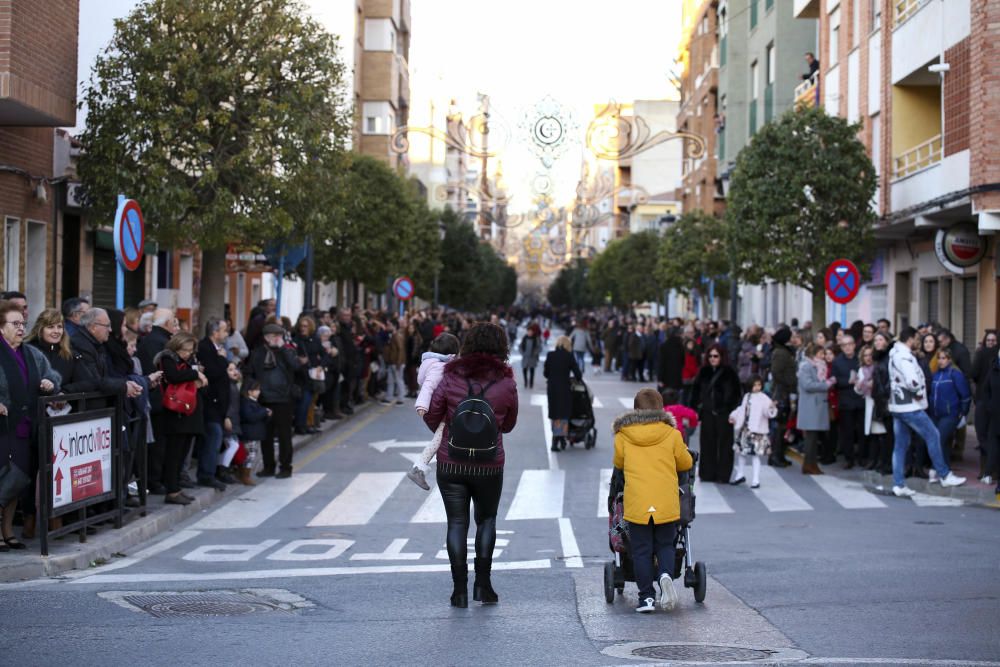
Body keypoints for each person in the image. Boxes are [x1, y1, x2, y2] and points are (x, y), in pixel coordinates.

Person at [423, 322, 518, 608]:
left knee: (456, 522)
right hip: (489, 463)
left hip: (452, 461)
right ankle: (483, 585)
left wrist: (449, 430)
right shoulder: (506, 381)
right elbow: (510, 424)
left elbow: (432, 413)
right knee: (486, 520)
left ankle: (459, 590)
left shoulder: (451, 376)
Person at [613, 387, 693, 613]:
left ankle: (646, 598)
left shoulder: (623, 435)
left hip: (638, 503)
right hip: (665, 501)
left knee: (640, 550)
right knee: (666, 545)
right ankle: (665, 574)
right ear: (661, 409)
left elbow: (618, 463)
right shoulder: (672, 434)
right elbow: (685, 463)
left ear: (636, 409)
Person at [0, 301, 60, 549]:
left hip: (27, 426)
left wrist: (49, 382)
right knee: (4, 477)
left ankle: (6, 531)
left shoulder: (31, 353)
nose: (21, 328)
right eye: (15, 324)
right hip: (3, 427)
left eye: (23, 323)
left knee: (19, 479)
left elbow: (54, 375)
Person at [888, 326, 966, 497]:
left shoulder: (894, 354)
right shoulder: (904, 356)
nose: (919, 342)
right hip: (910, 406)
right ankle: (944, 475)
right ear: (910, 339)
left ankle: (899, 484)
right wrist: (918, 394)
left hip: (898, 406)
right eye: (917, 338)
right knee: (933, 435)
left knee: (900, 445)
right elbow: (912, 381)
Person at [154, 331, 208, 505]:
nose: (187, 354)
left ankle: (177, 488)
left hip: (188, 412)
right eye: (185, 350)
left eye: (190, 351)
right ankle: (172, 489)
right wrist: (196, 375)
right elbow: (173, 377)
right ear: (177, 346)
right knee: (174, 453)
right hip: (175, 413)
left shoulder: (188, 360)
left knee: (182, 453)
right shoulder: (167, 358)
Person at [406, 333, 460, 491]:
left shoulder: (432, 362)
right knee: (440, 437)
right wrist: (421, 405)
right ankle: (419, 467)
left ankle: (421, 467)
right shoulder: (439, 366)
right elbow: (428, 386)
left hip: (439, 406)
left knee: (442, 436)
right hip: (439, 408)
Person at [247, 323, 300, 478]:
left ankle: (285, 467)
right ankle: (268, 466)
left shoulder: (287, 351)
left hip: (284, 399)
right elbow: (251, 372)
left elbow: (296, 366)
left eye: (279, 336)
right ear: (266, 337)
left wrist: (283, 348)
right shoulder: (258, 353)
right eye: (274, 336)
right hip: (264, 399)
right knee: (266, 435)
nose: (277, 339)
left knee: (284, 435)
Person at [690, 344, 741, 483]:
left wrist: (732, 410)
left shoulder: (729, 372)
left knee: (725, 445)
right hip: (707, 413)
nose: (712, 359)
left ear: (721, 357)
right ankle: (707, 474)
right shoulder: (703, 371)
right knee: (707, 444)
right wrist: (694, 410)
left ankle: (723, 475)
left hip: (724, 414)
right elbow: (695, 392)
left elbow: (737, 394)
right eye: (710, 356)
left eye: (715, 356)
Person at [197, 317, 234, 489]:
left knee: (215, 438)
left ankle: (210, 472)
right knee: (213, 437)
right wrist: (222, 359)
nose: (227, 334)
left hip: (218, 404)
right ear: (215, 332)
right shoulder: (205, 348)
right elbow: (214, 372)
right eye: (224, 330)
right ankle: (206, 474)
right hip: (210, 402)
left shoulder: (219, 349)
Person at [929, 348, 971, 483]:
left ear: (949, 359)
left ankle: (938, 471)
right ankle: (944, 471)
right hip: (936, 414)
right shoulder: (935, 375)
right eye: (939, 358)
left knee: (939, 440)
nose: (941, 361)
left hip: (950, 414)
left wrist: (962, 413)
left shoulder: (955, 374)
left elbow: (965, 395)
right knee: (945, 443)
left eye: (943, 358)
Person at [728, 375, 776, 489]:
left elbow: (767, 412)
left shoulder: (764, 397)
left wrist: (771, 408)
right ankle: (740, 474)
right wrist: (734, 416)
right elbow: (741, 409)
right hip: (745, 429)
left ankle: (755, 479)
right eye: (754, 385)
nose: (757, 387)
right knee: (741, 453)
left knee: (755, 455)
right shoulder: (747, 396)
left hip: (757, 431)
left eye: (759, 385)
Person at [797, 343, 835, 475]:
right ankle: (809, 464)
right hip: (810, 406)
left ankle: (811, 463)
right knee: (811, 437)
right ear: (813, 354)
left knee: (814, 437)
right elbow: (807, 385)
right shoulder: (806, 366)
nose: (823, 356)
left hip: (817, 405)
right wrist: (826, 384)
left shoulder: (818, 366)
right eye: (820, 354)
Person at [544, 335, 581, 453]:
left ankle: (557, 439)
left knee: (555, 414)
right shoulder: (569, 356)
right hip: (565, 388)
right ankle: (558, 439)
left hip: (552, 388)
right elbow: (578, 375)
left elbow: (546, 373)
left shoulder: (550, 355)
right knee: (563, 414)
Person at [832, 334, 865, 468]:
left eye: (849, 344)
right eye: (844, 345)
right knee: (847, 432)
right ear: (841, 347)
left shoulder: (860, 358)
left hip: (861, 400)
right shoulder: (837, 361)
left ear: (854, 345)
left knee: (863, 431)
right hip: (846, 401)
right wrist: (849, 382)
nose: (847, 347)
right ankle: (849, 458)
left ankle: (862, 457)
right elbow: (834, 381)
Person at [971, 330, 998, 482]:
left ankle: (987, 470)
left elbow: (973, 374)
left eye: (993, 340)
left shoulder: (981, 354)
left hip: (988, 402)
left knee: (986, 436)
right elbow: (973, 373)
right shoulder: (981, 355)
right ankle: (988, 470)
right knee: (985, 435)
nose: (991, 343)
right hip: (984, 400)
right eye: (989, 340)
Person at [768, 327, 796, 467]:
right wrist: (789, 382)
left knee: (783, 426)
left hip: (784, 391)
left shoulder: (783, 351)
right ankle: (775, 455)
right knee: (779, 426)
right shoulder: (780, 353)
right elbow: (776, 372)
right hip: (781, 393)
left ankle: (779, 454)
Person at [238, 379, 270, 484]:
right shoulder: (247, 403)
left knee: (252, 454)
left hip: (253, 433)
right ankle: (244, 476)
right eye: (256, 390)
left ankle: (245, 474)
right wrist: (264, 412)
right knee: (250, 455)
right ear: (249, 391)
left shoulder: (254, 403)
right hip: (249, 433)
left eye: (259, 389)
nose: (259, 392)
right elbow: (250, 417)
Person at [519, 324, 542, 389]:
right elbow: (520, 346)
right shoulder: (524, 338)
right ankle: (525, 381)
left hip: (532, 358)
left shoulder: (536, 339)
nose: (529, 332)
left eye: (531, 331)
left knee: (532, 371)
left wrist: (535, 353)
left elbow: (539, 348)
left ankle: (531, 383)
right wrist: (522, 353)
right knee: (524, 370)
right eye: (528, 331)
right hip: (525, 357)